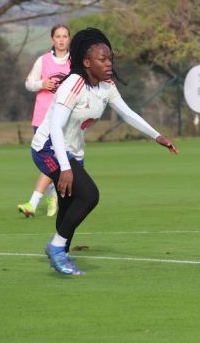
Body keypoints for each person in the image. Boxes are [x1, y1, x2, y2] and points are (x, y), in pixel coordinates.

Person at [31, 27, 178, 275]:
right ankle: (57, 248)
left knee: (68, 205)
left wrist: (157, 136)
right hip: (48, 148)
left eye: (110, 58)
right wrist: (65, 169)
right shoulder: (74, 84)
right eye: (102, 59)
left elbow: (128, 113)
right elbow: (55, 125)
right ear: (86, 62)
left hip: (73, 152)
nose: (109, 63)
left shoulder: (106, 86)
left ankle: (60, 254)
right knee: (89, 196)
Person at [17, 24, 71, 218]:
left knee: (53, 159)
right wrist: (42, 84)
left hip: (63, 119)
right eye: (58, 36)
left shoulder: (74, 63)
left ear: (69, 39)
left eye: (65, 36)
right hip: (41, 117)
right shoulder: (43, 60)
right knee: (46, 161)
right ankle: (52, 196)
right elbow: (29, 83)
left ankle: (34, 202)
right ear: (52, 39)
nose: (62, 40)